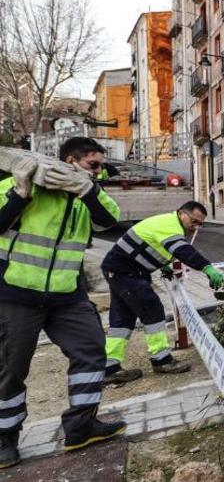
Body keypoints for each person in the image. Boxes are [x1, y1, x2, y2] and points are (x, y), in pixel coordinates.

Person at [0, 137, 125, 469]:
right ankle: (5, 439)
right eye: (93, 165)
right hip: (15, 294)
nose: (99, 173)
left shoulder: (87, 194)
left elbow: (109, 221)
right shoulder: (17, 184)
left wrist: (87, 189)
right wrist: (19, 194)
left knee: (92, 350)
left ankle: (81, 427)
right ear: (71, 160)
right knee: (10, 369)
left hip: (67, 295)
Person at [101, 201, 224, 384]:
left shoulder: (169, 224)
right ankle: (161, 360)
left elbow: (152, 244)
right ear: (182, 213)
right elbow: (183, 251)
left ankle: (109, 367)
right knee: (152, 308)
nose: (196, 226)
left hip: (121, 270)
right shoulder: (170, 225)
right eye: (194, 221)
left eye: (200, 223)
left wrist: (163, 265)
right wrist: (207, 268)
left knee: (122, 318)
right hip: (126, 272)